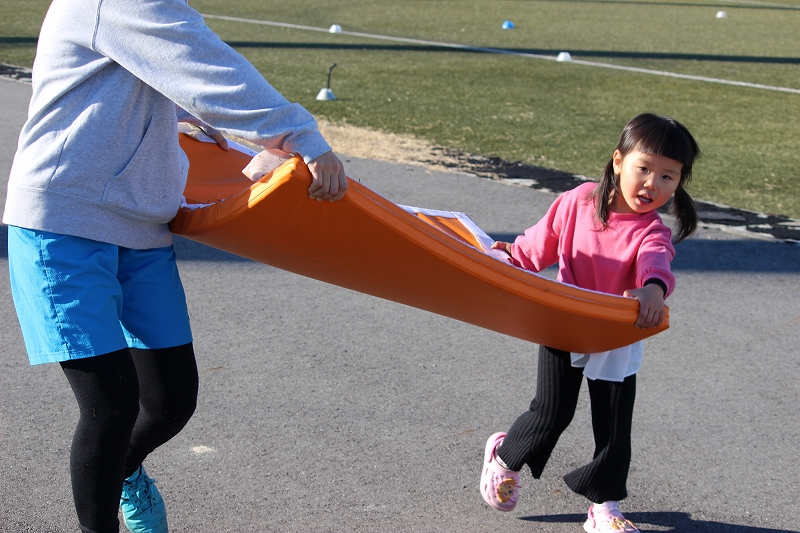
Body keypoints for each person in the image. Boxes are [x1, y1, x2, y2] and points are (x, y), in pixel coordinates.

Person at [3, 1, 347, 532]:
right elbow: (203, 66)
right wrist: (299, 134)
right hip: (65, 220)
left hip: (141, 224)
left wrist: (176, 114)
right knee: (110, 407)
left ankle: (123, 471)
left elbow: (144, 65)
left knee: (170, 402)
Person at [479, 113, 700, 533]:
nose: (652, 184)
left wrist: (653, 290)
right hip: (563, 323)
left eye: (668, 176)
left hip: (616, 335)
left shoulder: (652, 231)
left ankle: (605, 507)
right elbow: (534, 248)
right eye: (644, 169)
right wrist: (502, 259)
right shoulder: (579, 201)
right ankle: (504, 457)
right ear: (618, 161)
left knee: (614, 426)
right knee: (551, 413)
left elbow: (657, 265)